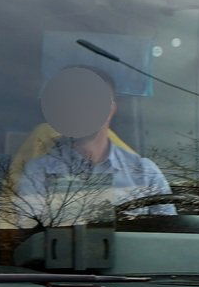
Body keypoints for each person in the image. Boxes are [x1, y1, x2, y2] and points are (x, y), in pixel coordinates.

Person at [14, 65, 172, 223]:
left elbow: (169, 238)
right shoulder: (38, 173)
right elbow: (31, 237)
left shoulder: (145, 173)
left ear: (111, 109)